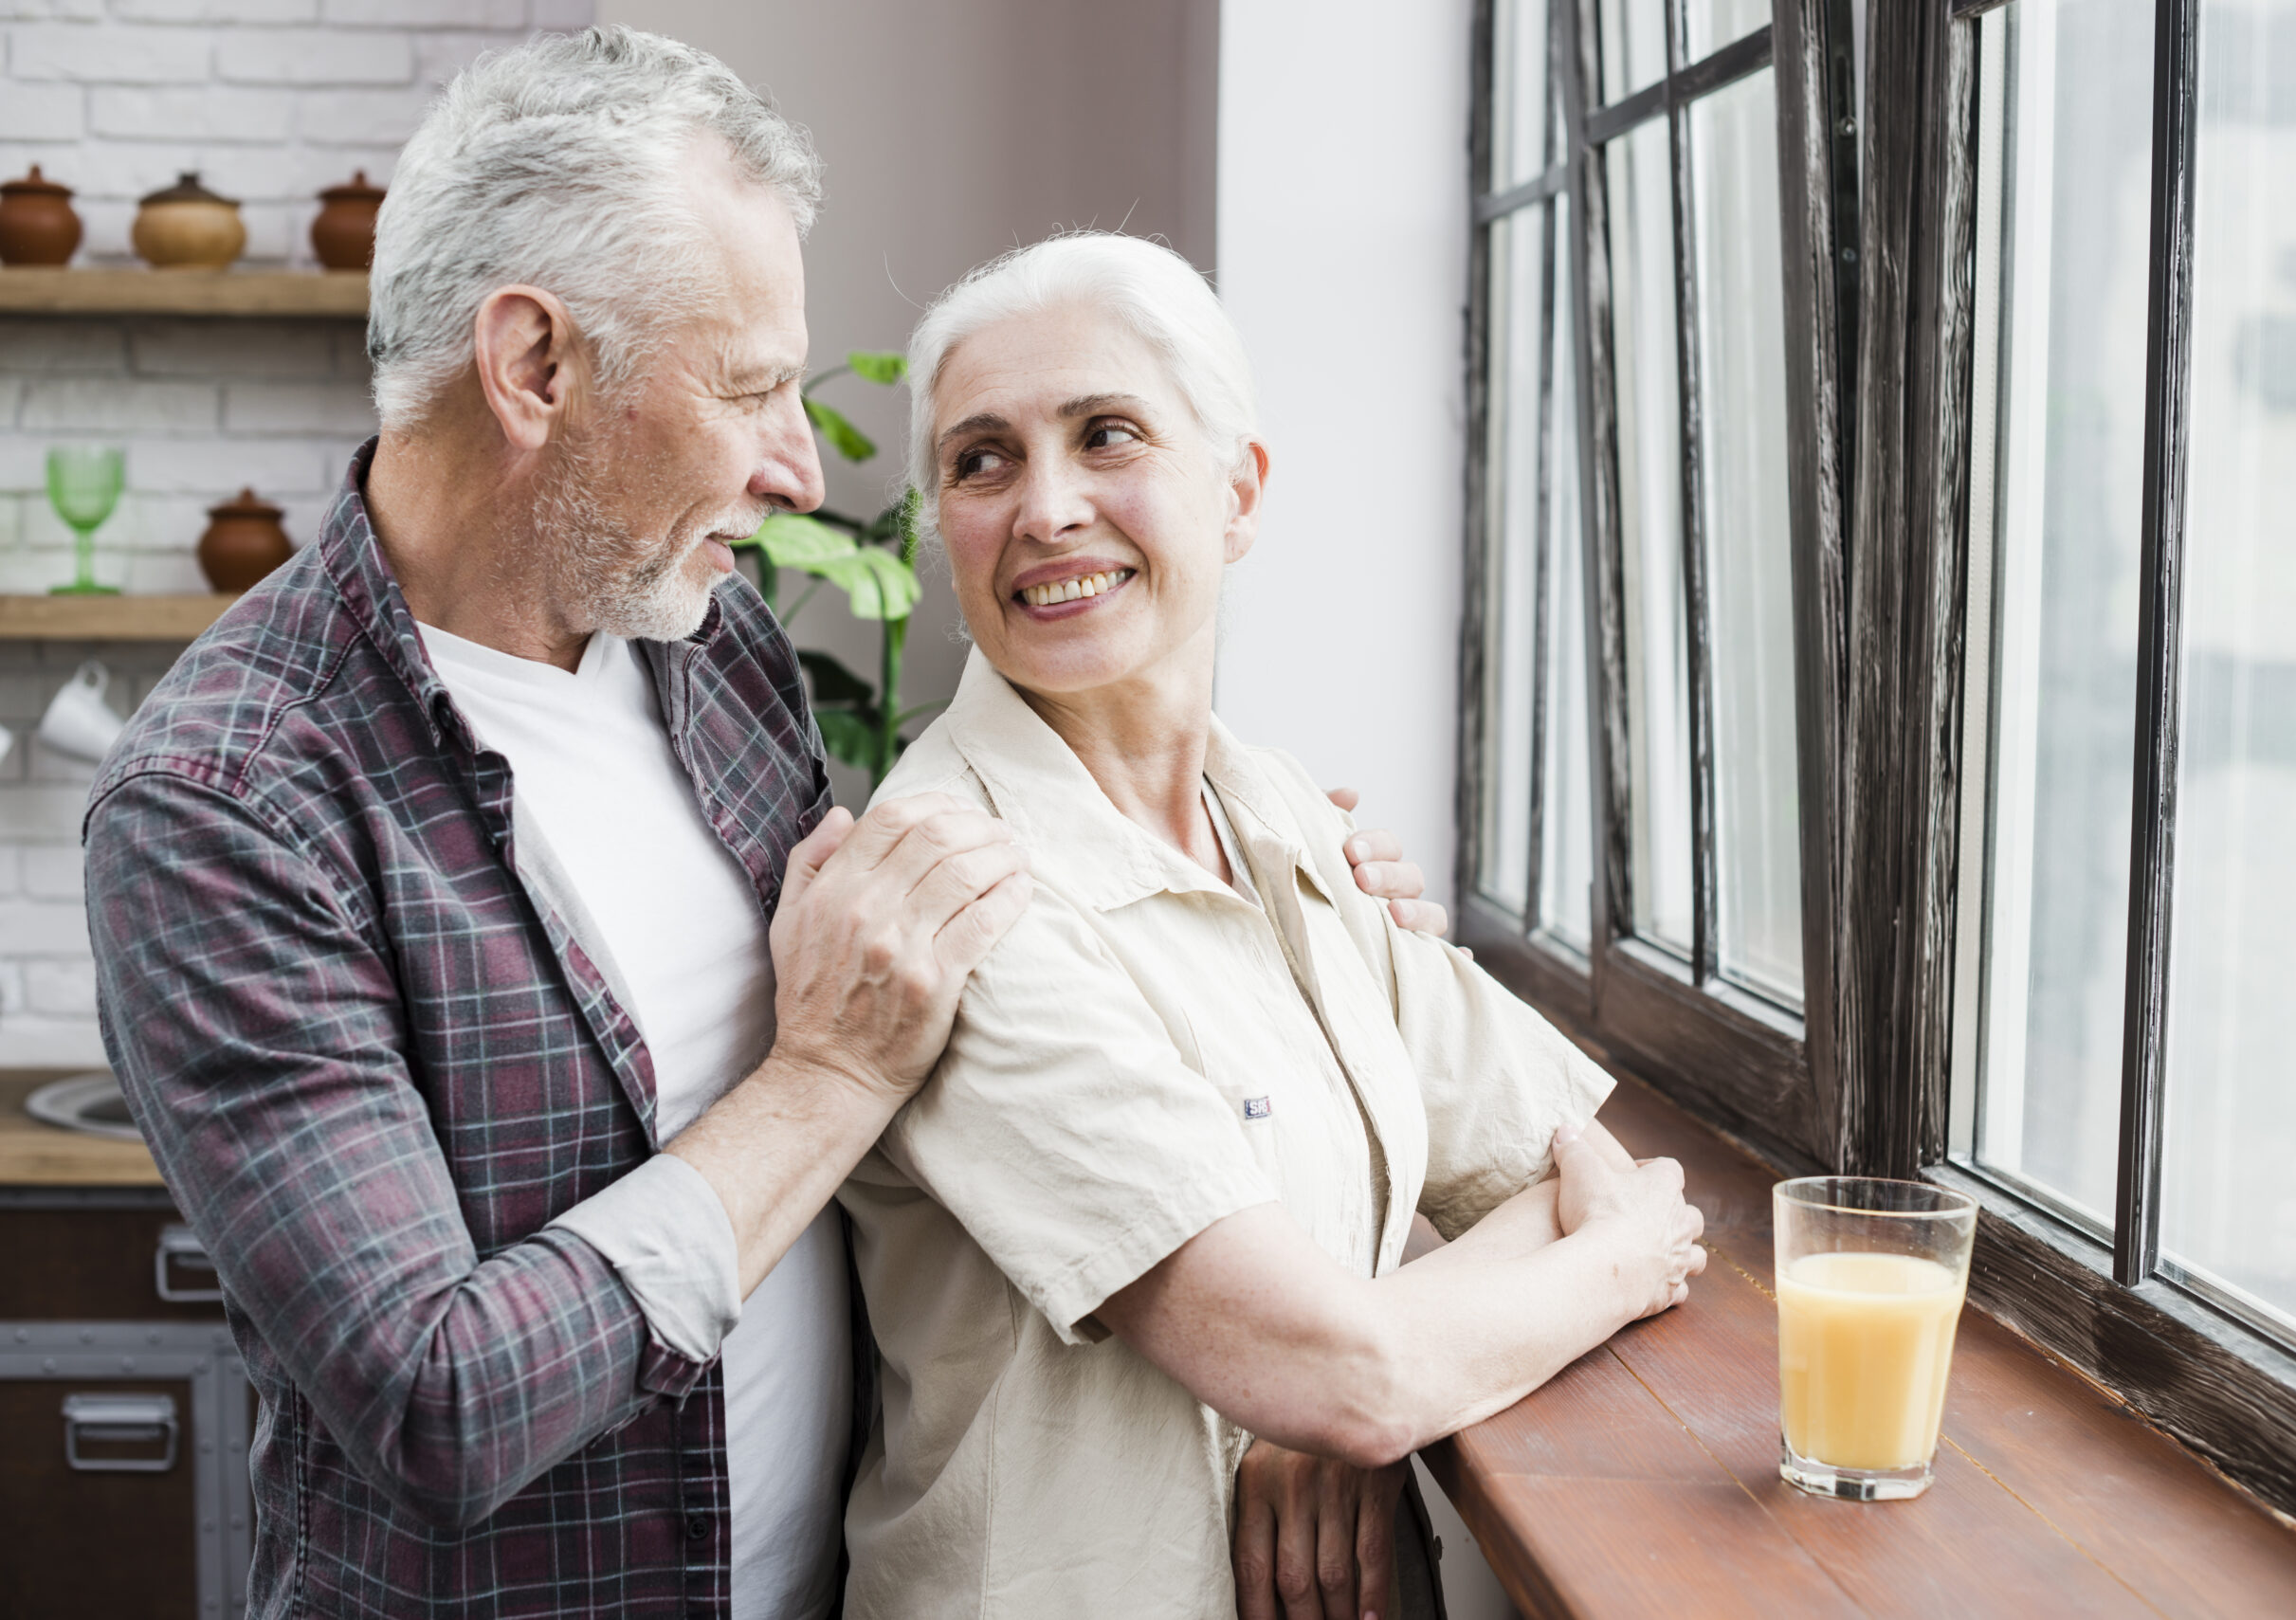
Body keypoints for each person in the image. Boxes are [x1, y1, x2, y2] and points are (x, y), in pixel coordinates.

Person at [80, 31, 1441, 1620]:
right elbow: (434, 1403)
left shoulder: (708, 645)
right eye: (749, 387)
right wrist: (824, 1080)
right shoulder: (226, 802)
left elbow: (971, 981)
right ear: (535, 368)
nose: (798, 465)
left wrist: (1276, 917)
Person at [834, 232, 1709, 1620]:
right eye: (981, 459)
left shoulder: (1289, 814)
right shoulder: (953, 887)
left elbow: (1561, 1157)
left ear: (1238, 491)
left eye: (1106, 434)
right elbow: (1366, 1362)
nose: (1046, 505)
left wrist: (1367, 1371)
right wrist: (1578, 1278)